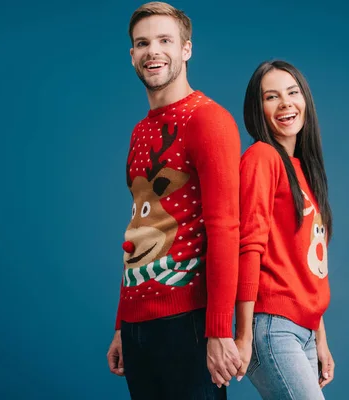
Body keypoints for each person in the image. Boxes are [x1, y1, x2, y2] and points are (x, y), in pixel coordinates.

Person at [105, 2, 242, 399]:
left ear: (186, 49)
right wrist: (121, 323)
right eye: (142, 43)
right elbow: (139, 228)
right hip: (136, 325)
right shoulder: (139, 131)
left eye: (165, 40)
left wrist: (218, 330)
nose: (153, 51)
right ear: (132, 55)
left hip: (188, 323)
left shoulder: (209, 120)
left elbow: (225, 228)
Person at [234, 60, 336, 399]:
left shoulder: (303, 171)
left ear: (305, 98)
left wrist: (320, 339)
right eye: (271, 97)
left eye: (293, 93)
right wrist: (244, 336)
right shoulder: (262, 157)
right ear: (257, 108)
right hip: (272, 327)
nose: (285, 104)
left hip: (303, 331)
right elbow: (249, 247)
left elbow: (306, 266)